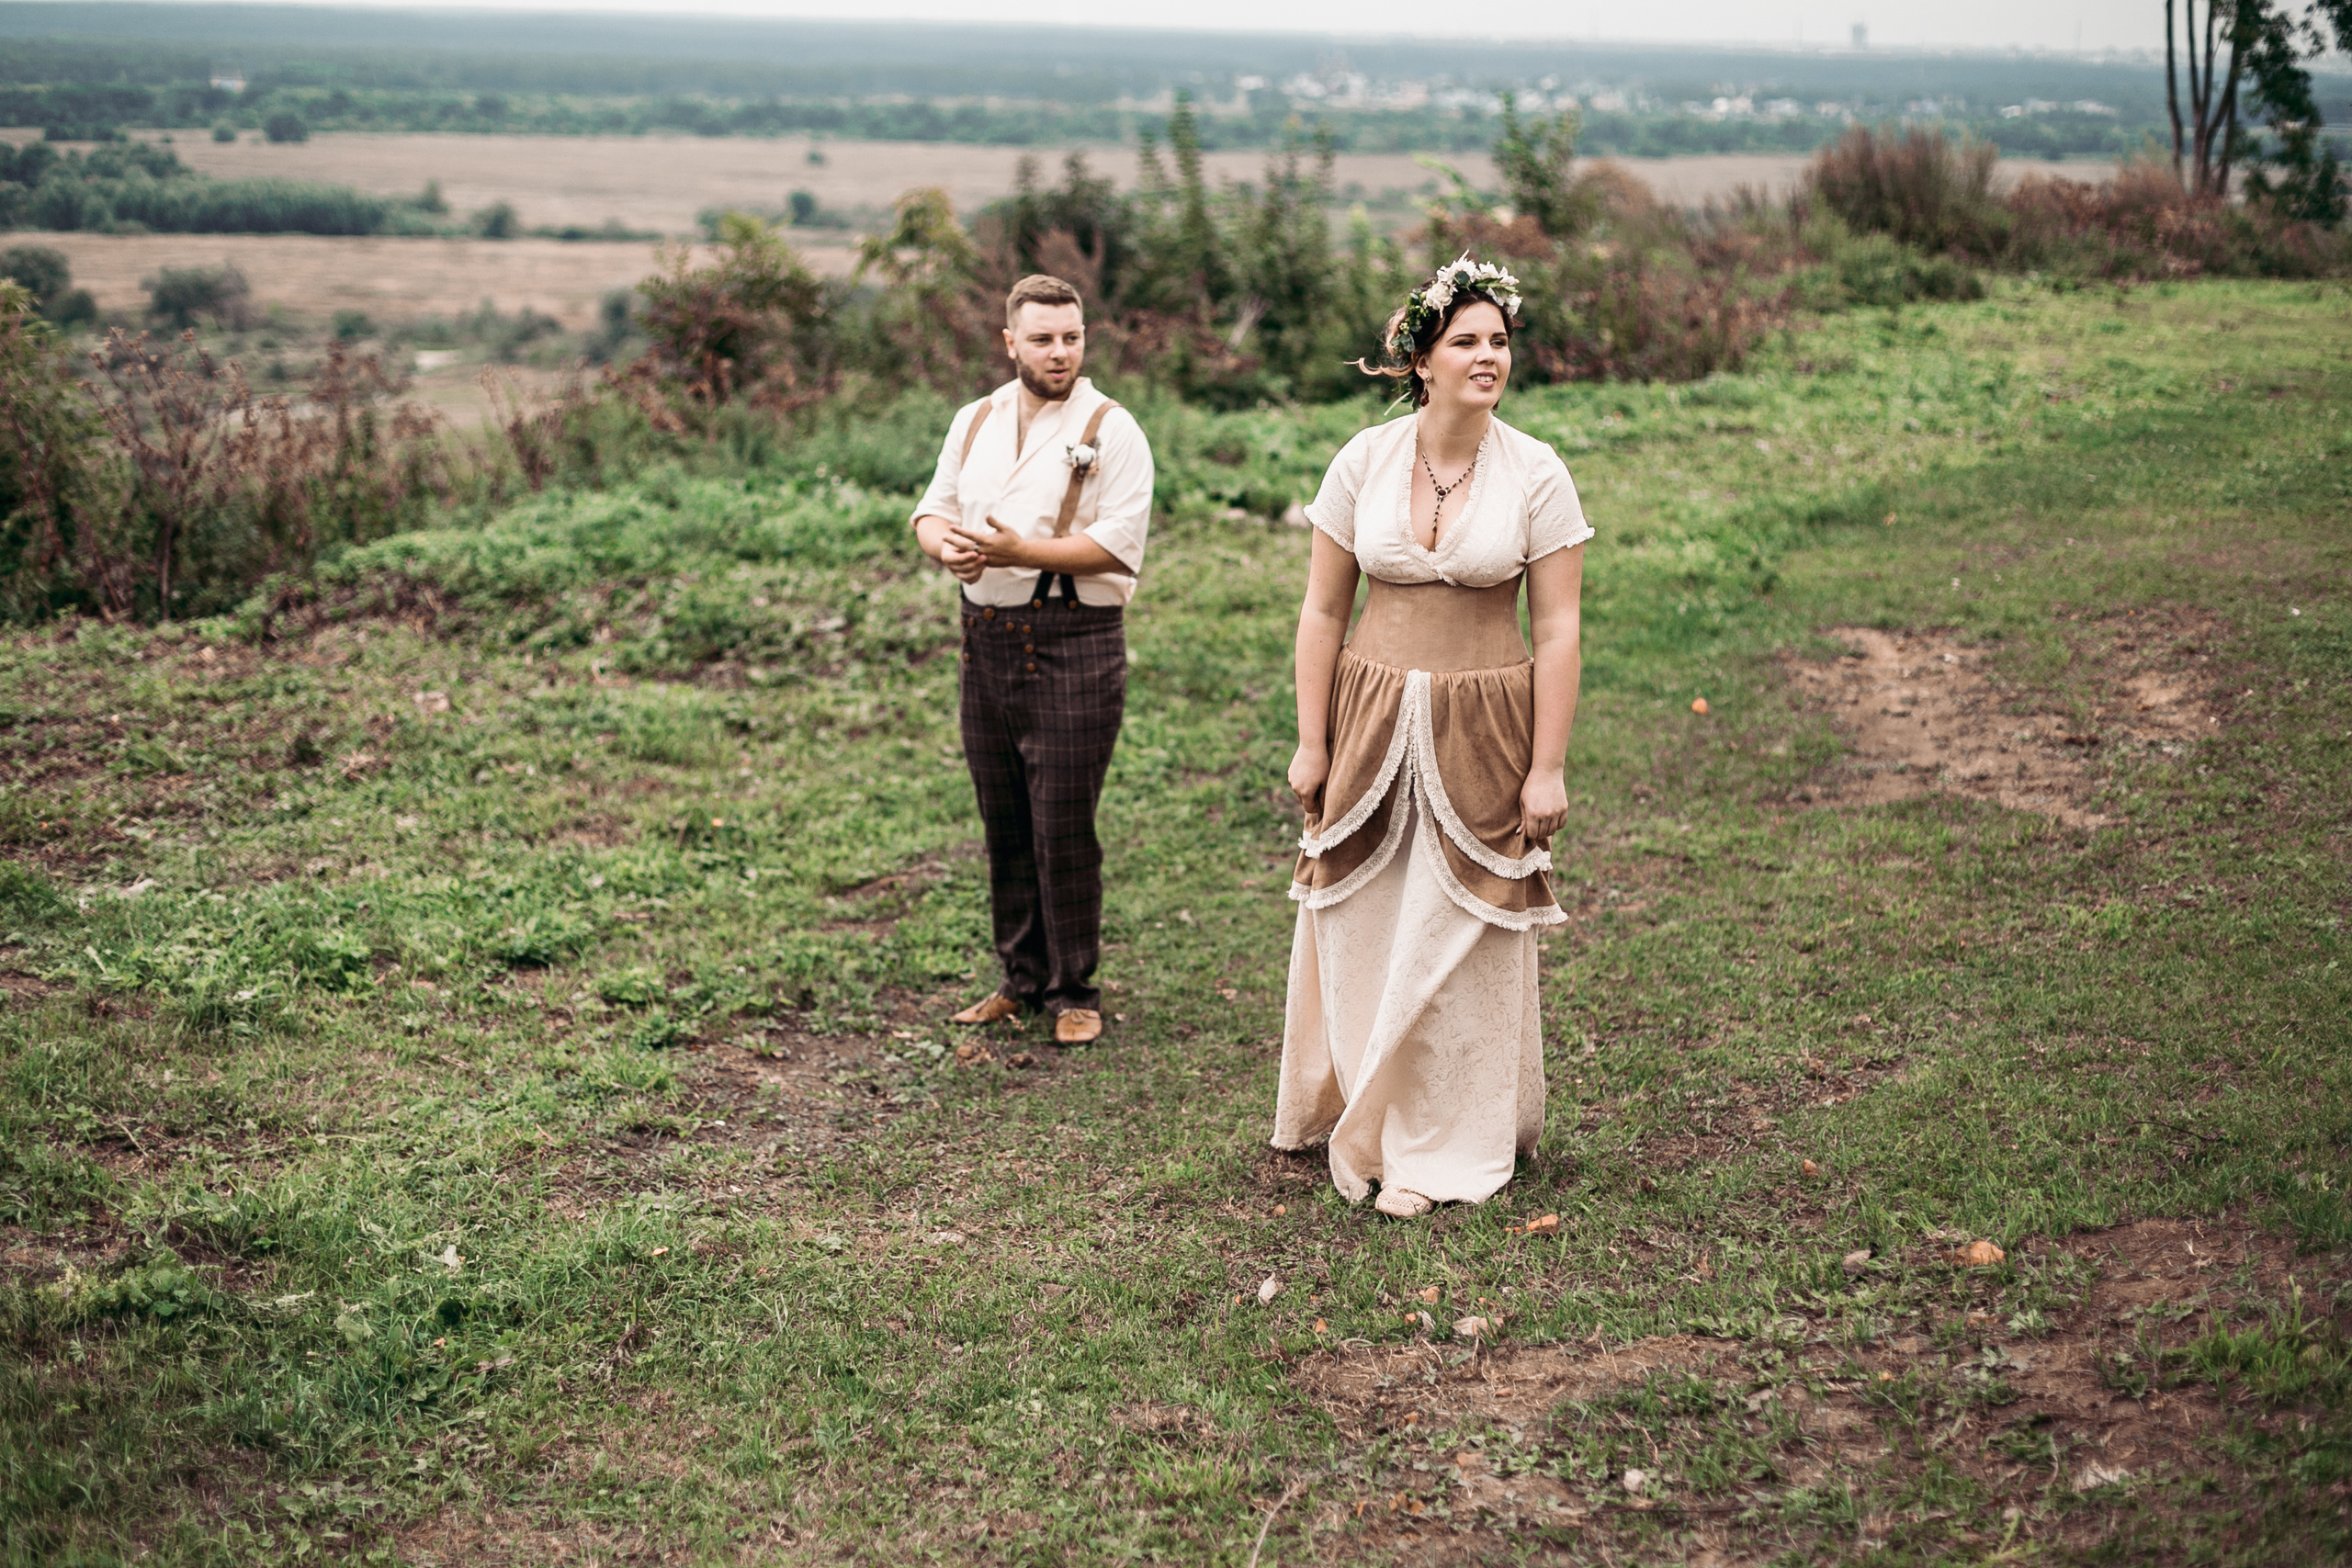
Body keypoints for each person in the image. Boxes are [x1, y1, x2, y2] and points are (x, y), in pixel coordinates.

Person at [1272, 255, 1590, 1217]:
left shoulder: (1536, 470)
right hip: (1368, 714)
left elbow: (1558, 628)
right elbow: (1322, 612)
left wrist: (1547, 767)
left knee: (1464, 935)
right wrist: (1311, 741)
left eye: (1499, 342)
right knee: (1366, 917)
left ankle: (1448, 1141)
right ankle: (1360, 1114)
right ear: (1423, 358)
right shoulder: (1361, 461)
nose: (1488, 357)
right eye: (1467, 342)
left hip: (1485, 721)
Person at [911, 275, 1155, 1046]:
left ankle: (1073, 986)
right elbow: (933, 508)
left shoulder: (1113, 427)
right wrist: (944, 545)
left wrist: (1024, 550)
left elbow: (1117, 542)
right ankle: (1018, 977)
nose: (1060, 351)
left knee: (1063, 821)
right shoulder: (974, 418)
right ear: (1010, 341)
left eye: (1072, 337)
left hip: (1074, 637)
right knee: (1004, 814)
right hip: (984, 637)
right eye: (1044, 338)